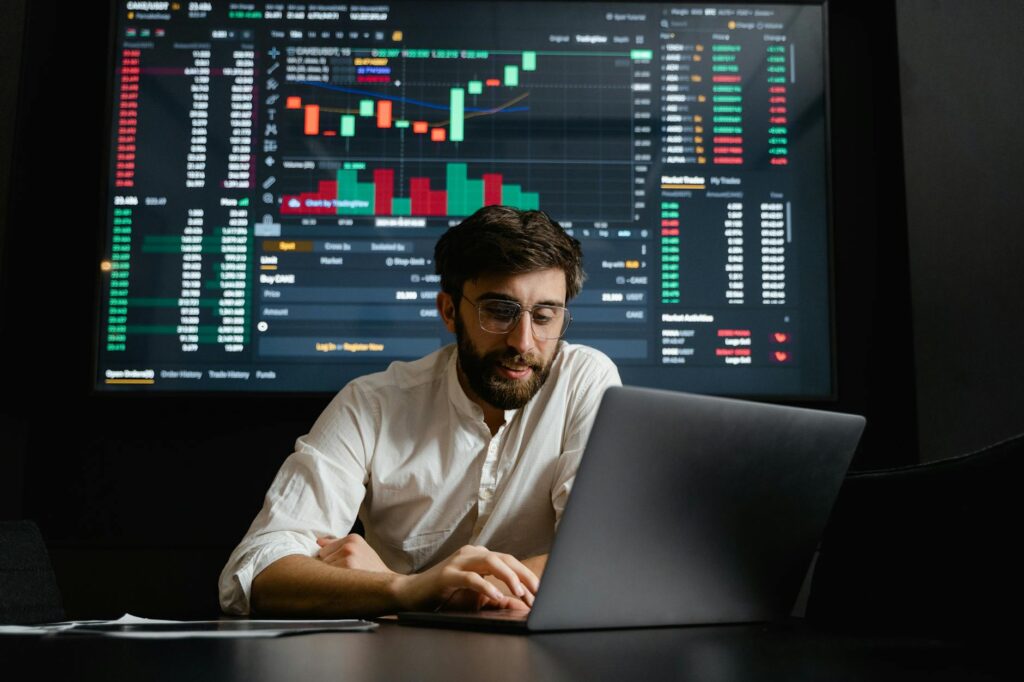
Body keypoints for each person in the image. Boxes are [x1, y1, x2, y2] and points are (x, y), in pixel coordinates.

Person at [218, 205, 621, 617]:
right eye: (499, 312)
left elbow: (603, 555)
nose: (523, 341)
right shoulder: (370, 404)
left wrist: (427, 591)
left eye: (544, 316)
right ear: (450, 311)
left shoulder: (584, 380)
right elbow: (254, 572)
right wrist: (405, 589)